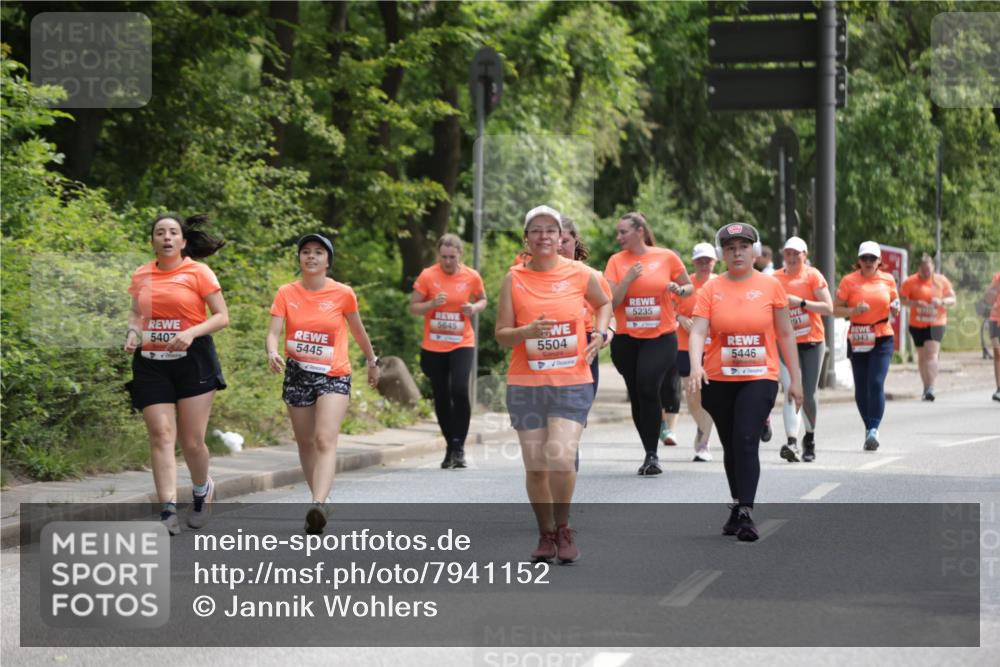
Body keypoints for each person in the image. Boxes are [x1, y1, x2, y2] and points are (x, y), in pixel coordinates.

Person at [496, 205, 611, 564]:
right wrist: (526, 332)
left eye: (551, 230)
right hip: (526, 383)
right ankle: (545, 534)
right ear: (526, 238)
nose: (544, 236)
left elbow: (604, 303)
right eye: (536, 230)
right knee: (535, 467)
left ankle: (563, 527)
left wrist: (601, 333)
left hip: (572, 381)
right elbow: (501, 335)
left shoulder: (580, 273)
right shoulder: (513, 279)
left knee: (560, 456)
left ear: (561, 237)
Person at [688, 223, 802, 542]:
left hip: (759, 376)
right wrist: (695, 366)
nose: (737, 253)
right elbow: (698, 331)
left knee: (746, 438)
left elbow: (785, 333)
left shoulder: (771, 286)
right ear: (722, 254)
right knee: (731, 444)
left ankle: (747, 512)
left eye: (743, 247)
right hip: (719, 379)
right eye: (730, 248)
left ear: (755, 251)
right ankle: (737, 504)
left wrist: (796, 380)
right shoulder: (711, 288)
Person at [266, 234, 381, 534]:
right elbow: (274, 332)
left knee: (324, 439)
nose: (311, 256)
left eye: (318, 252)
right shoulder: (286, 292)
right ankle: (322, 500)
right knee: (305, 442)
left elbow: (358, 331)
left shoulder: (343, 293)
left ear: (328, 261)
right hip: (298, 374)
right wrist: (272, 351)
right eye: (306, 252)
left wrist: (372, 362)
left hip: (334, 374)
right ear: (299, 258)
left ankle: (317, 503)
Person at [125, 213, 229, 536]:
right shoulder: (142, 274)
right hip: (152, 361)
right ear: (153, 241)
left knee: (192, 441)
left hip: (193, 359)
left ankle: (201, 490)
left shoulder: (199, 272)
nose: (167, 237)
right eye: (160, 232)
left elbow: (222, 316)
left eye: (173, 232)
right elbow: (136, 313)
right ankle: (167, 509)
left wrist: (191, 332)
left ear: (183, 241)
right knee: (160, 433)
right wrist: (132, 332)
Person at [604, 212, 692, 475]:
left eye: (623, 232)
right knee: (637, 394)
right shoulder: (616, 261)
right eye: (618, 232)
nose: (618, 237)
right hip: (627, 340)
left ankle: (653, 454)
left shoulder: (666, 257)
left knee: (647, 384)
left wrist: (679, 290)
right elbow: (611, 303)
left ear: (639, 231)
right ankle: (648, 452)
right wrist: (628, 279)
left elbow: (689, 287)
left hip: (661, 337)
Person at [410, 234, 487, 469]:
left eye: (452, 257)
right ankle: (450, 446)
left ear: (460, 255)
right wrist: (431, 304)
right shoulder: (428, 276)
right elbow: (414, 307)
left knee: (459, 389)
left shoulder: (471, 276)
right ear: (438, 255)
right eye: (443, 257)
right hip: (434, 344)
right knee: (441, 394)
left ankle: (459, 445)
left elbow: (483, 299)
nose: (447, 262)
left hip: (462, 342)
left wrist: (473, 307)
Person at [833, 241, 901, 451]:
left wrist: (895, 308)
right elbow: (835, 310)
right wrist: (853, 311)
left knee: (876, 382)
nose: (868, 262)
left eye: (872, 258)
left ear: (879, 260)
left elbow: (895, 301)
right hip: (859, 336)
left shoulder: (888, 279)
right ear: (859, 260)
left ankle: (873, 429)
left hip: (882, 336)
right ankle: (869, 427)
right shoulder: (849, 281)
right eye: (865, 258)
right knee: (861, 387)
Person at [773, 236, 834, 462]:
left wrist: (800, 302)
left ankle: (809, 438)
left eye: (796, 254)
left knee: (808, 393)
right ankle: (791, 442)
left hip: (812, 341)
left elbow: (828, 308)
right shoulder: (774, 279)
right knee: (790, 389)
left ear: (805, 255)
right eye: (788, 253)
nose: (791, 258)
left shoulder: (813, 276)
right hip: (785, 342)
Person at [672, 242, 718, 461]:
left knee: (709, 398)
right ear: (693, 262)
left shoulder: (721, 283)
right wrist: (680, 318)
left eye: (708, 260)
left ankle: (703, 443)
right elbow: (669, 308)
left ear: (715, 262)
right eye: (700, 260)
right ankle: (702, 428)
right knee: (692, 399)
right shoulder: (686, 285)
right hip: (686, 347)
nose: (704, 264)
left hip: (713, 350)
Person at [557, 217, 613, 395]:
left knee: (579, 406)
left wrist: (605, 333)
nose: (559, 247)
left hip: (585, 345)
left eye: (565, 241)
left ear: (576, 240)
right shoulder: (534, 276)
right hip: (548, 346)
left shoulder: (592, 276)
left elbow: (610, 315)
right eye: (555, 241)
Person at [900, 253, 956, 401]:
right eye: (923, 270)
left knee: (931, 354)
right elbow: (902, 300)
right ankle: (926, 387)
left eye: (929, 270)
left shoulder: (941, 280)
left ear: (933, 268)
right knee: (922, 356)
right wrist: (915, 303)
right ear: (919, 268)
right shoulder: (910, 282)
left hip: (936, 323)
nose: (926, 273)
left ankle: (931, 387)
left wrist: (942, 301)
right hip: (917, 324)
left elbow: (952, 299)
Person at [984, 271, 1000, 402]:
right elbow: (988, 298)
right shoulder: (997, 277)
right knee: (997, 352)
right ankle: (999, 389)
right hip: (995, 319)